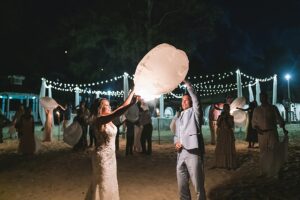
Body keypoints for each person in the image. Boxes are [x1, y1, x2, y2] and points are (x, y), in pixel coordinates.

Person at [85, 89, 137, 200]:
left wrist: (132, 92)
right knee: (103, 183)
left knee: (110, 183)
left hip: (111, 158)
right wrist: (132, 104)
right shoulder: (99, 120)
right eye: (106, 105)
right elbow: (119, 112)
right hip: (102, 159)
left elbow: (122, 106)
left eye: (109, 105)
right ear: (100, 108)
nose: (109, 107)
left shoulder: (109, 119)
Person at [173, 80, 206, 200]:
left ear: (191, 102)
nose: (184, 102)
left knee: (198, 185)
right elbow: (176, 134)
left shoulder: (195, 112)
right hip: (180, 153)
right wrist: (176, 142)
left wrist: (187, 84)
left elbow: (196, 98)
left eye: (186, 100)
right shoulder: (179, 116)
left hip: (193, 152)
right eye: (182, 100)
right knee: (182, 185)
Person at [252, 92, 287, 177]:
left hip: (272, 132)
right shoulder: (256, 110)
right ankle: (264, 171)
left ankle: (276, 170)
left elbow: (280, 119)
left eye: (263, 97)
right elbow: (253, 123)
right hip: (261, 134)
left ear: (266, 98)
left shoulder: (273, 108)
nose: (262, 99)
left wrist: (284, 129)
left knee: (274, 151)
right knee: (263, 152)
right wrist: (257, 129)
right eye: (260, 97)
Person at [215, 103, 237, 169]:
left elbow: (231, 125)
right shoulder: (220, 116)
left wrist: (226, 119)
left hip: (228, 134)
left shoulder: (230, 117)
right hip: (222, 133)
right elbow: (218, 124)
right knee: (222, 148)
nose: (225, 110)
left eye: (226, 108)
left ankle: (229, 164)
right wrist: (221, 118)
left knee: (228, 148)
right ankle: (221, 163)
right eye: (224, 108)